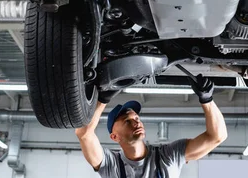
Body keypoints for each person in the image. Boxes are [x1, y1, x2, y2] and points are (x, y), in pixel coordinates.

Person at [75, 74, 228, 178]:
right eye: (127, 121)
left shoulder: (168, 156)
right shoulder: (110, 164)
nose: (136, 122)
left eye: (136, 117)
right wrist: (102, 99)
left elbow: (216, 136)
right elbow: (84, 134)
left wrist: (207, 100)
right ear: (115, 136)